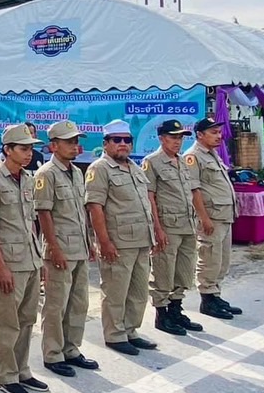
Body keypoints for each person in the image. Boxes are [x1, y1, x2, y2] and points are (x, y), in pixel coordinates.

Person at [0, 124, 49, 393]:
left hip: (29, 258)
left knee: (27, 318)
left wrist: (38, 257)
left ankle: (22, 369)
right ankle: (5, 375)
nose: (29, 153)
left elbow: (30, 221)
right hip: (9, 261)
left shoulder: (29, 179)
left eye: (31, 148)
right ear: (7, 150)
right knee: (6, 320)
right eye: (23, 148)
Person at [85, 120, 160, 356]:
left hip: (140, 239)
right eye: (117, 140)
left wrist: (154, 233)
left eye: (127, 140)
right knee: (116, 290)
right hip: (118, 242)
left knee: (138, 290)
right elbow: (95, 207)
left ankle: (130, 330)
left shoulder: (135, 168)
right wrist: (103, 241)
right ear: (106, 144)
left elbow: (145, 204)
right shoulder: (100, 169)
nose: (123, 144)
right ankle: (115, 334)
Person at [36, 120, 99, 379]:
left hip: (79, 246)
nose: (75, 146)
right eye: (69, 142)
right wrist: (53, 247)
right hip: (60, 247)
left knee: (78, 302)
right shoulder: (46, 174)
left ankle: (71, 348)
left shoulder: (76, 172)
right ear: (54, 145)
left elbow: (80, 211)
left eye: (76, 141)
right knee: (56, 304)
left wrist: (90, 240)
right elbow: (44, 214)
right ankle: (53, 354)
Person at [143, 119, 205, 337]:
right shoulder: (152, 162)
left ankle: (176, 308)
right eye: (173, 137)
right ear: (161, 139)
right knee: (163, 270)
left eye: (180, 137)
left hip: (187, 224)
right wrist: (157, 229)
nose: (178, 141)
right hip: (168, 226)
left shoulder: (182, 161)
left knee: (184, 270)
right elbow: (150, 197)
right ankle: (162, 313)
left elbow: (189, 193)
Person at [188, 118, 243, 320]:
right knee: (209, 258)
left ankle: (215, 295)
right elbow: (194, 190)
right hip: (211, 217)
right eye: (213, 132)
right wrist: (203, 218)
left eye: (219, 132)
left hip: (224, 215)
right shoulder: (193, 157)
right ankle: (207, 299)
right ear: (200, 135)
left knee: (222, 260)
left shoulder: (213, 155)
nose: (219, 136)